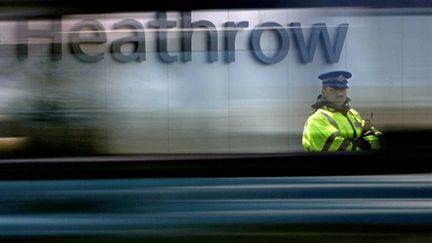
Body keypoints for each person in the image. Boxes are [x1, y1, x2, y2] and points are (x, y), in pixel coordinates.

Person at [302, 70, 383, 152]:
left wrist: (366, 142)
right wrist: (365, 143)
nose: (340, 94)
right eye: (333, 89)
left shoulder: (353, 114)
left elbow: (379, 138)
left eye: (343, 89)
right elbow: (341, 151)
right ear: (323, 91)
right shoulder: (317, 119)